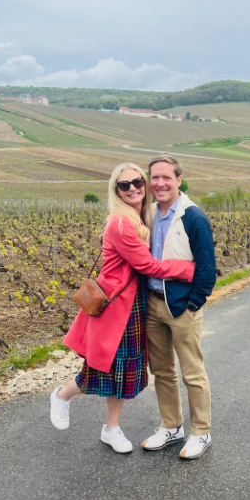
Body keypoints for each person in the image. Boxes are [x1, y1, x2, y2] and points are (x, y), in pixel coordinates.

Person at [50, 162, 195, 454]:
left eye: (137, 182)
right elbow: (148, 265)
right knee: (101, 367)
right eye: (124, 185)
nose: (132, 188)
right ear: (116, 190)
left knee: (124, 371)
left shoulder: (141, 216)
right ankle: (62, 395)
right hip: (115, 306)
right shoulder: (121, 223)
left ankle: (111, 428)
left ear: (144, 184)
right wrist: (188, 270)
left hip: (134, 303)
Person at [141, 155, 217, 460]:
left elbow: (207, 268)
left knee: (192, 373)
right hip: (152, 303)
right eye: (155, 178)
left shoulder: (192, 216)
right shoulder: (148, 214)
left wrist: (193, 305)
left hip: (182, 307)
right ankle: (171, 426)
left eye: (166, 178)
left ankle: (201, 432)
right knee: (161, 371)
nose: (160, 183)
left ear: (179, 180)